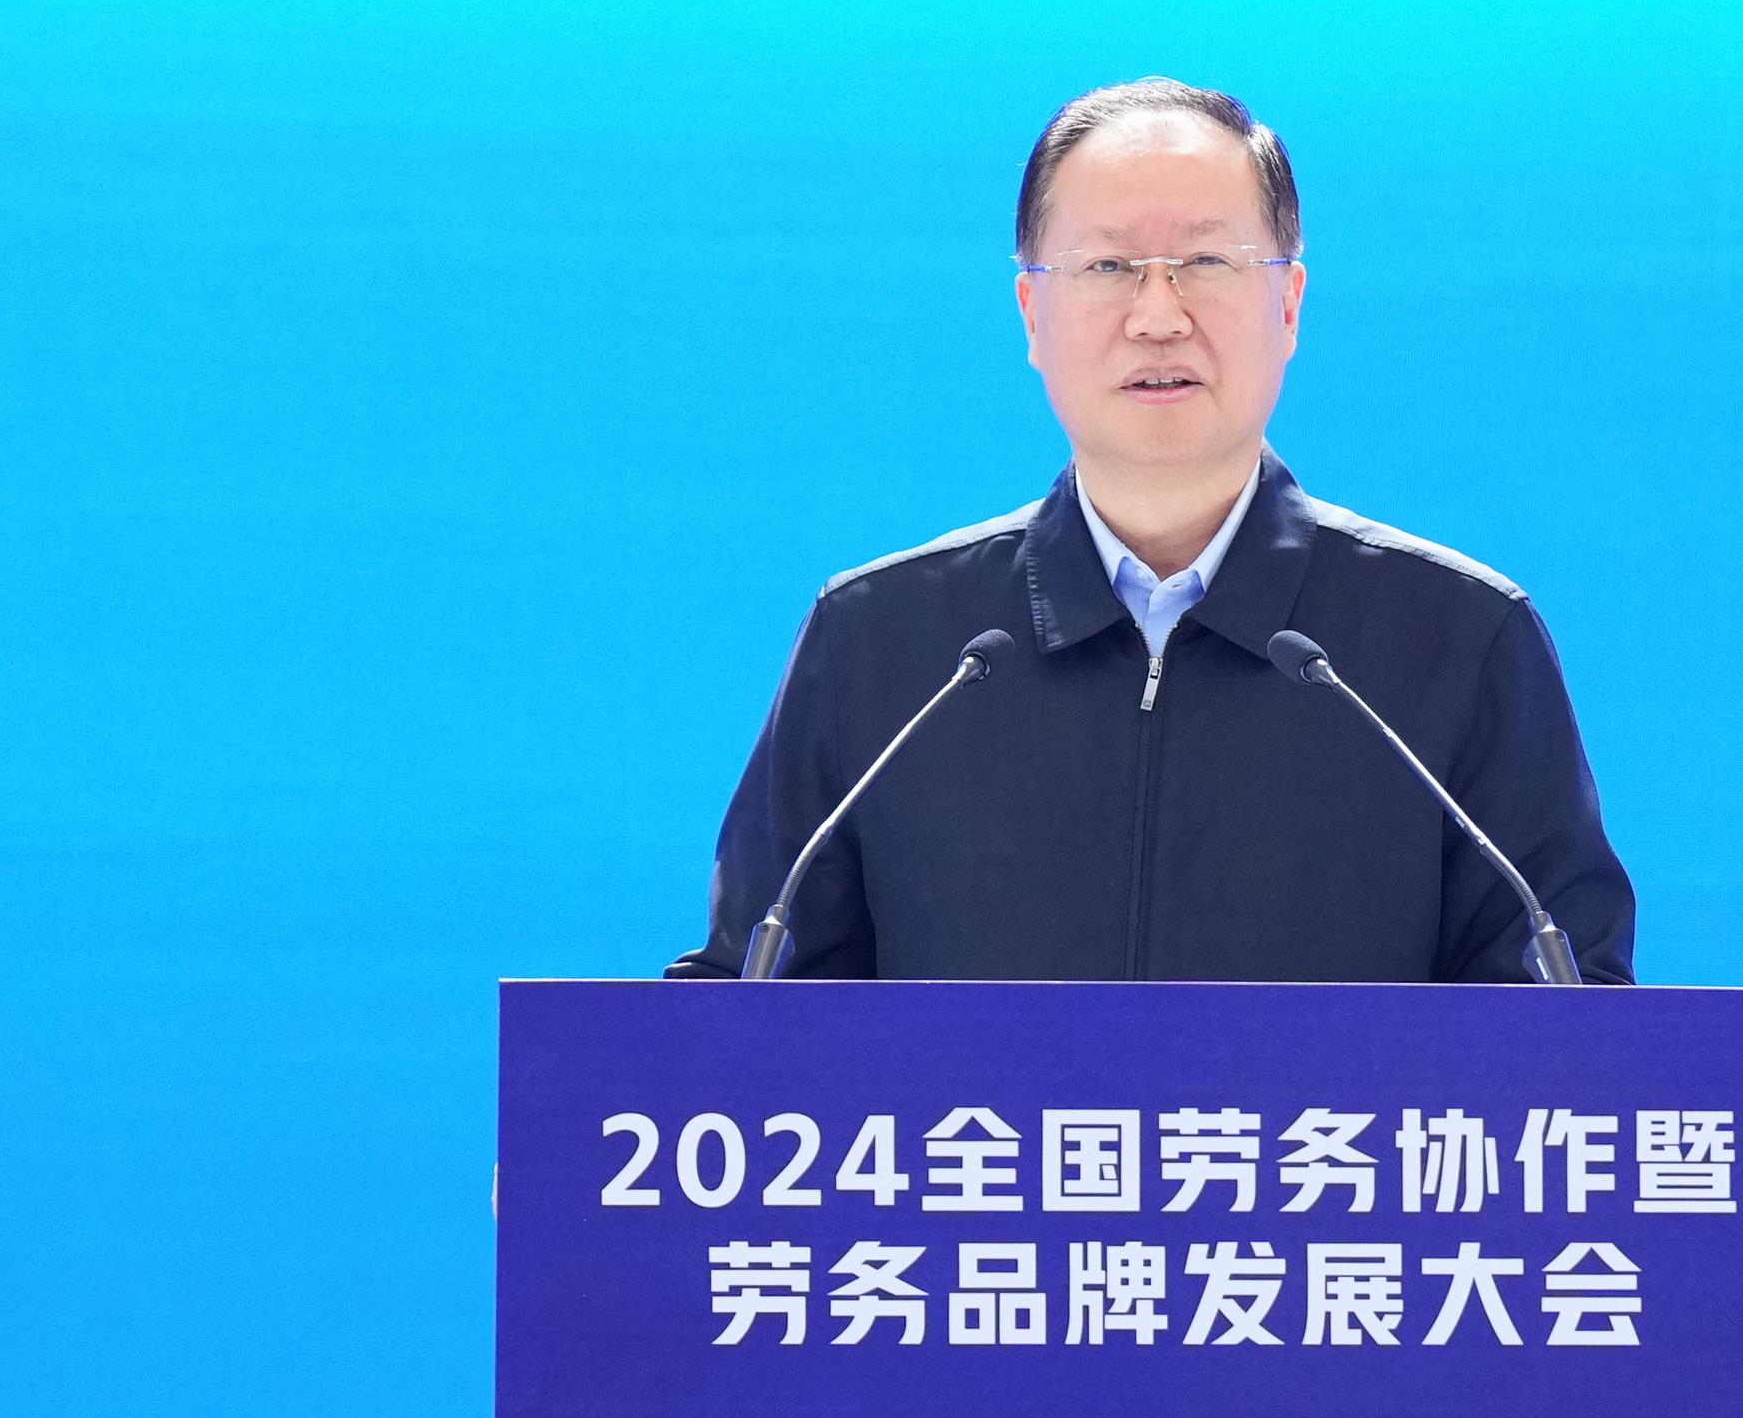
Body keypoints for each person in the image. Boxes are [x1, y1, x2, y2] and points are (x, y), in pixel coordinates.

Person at [669, 77, 1636, 983]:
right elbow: (739, 1022)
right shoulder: (882, 645)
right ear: (1032, 312)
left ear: (1289, 303)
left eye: (1208, 263)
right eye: (1108, 267)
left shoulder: (1458, 639)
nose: (1158, 315)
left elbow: (1573, 1037)